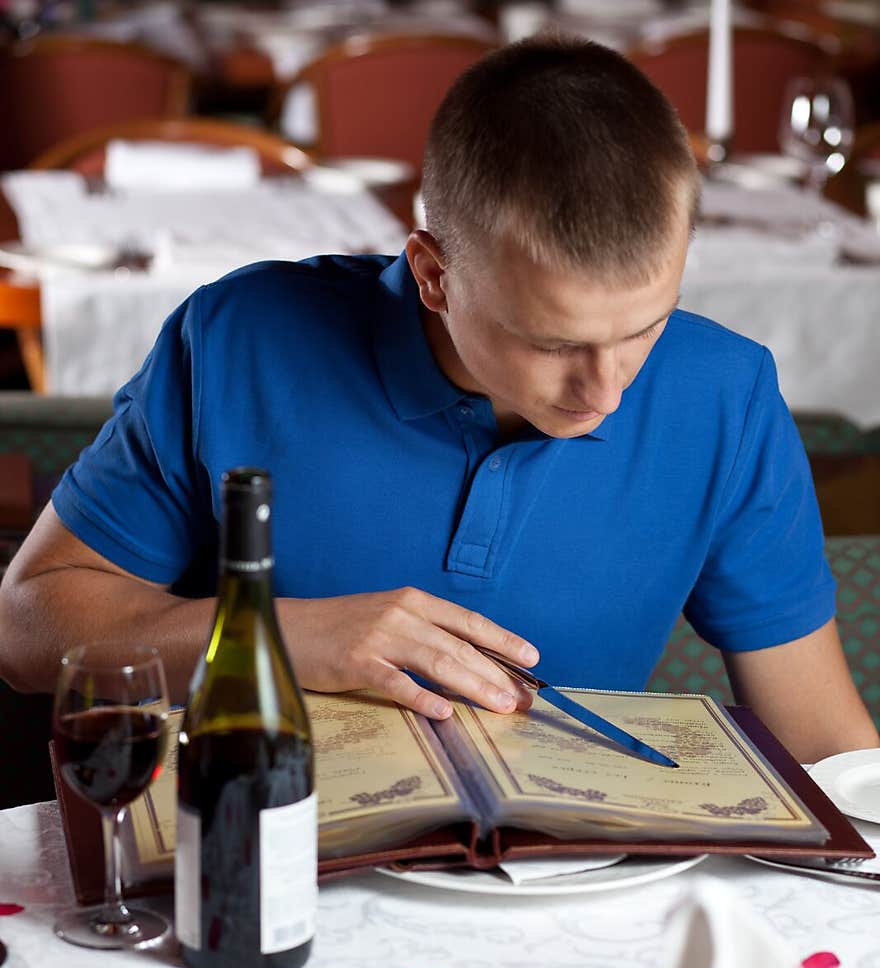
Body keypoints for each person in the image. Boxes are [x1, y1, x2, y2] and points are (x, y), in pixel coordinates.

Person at [0, 38, 875, 763]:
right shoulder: (242, 339)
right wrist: (290, 634)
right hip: (257, 849)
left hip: (574, 890)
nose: (607, 391)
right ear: (433, 274)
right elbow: (27, 629)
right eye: (553, 342)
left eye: (647, 326)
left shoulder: (725, 391)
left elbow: (827, 743)